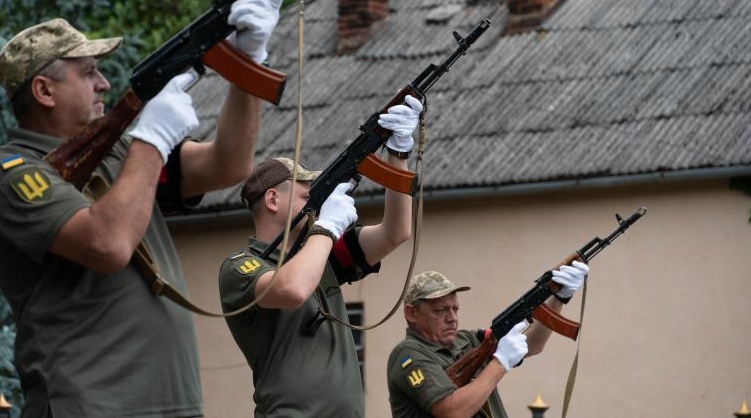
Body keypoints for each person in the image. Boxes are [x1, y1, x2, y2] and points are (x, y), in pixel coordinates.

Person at [0, 0, 283, 418]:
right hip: (90, 405)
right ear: (44, 91)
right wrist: (153, 138)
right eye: (87, 73)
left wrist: (248, 64)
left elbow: (227, 165)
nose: (104, 83)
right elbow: (109, 244)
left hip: (172, 404)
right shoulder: (10, 173)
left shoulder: (119, 152)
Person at [218, 94, 425, 417]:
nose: (317, 205)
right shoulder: (241, 267)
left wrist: (398, 155)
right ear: (273, 200)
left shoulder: (320, 253)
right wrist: (327, 226)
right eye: (306, 195)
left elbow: (394, 233)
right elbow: (292, 289)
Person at [387, 266, 589, 418]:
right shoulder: (408, 355)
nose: (452, 318)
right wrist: (500, 363)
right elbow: (452, 411)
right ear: (411, 313)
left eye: (455, 309)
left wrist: (558, 298)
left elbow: (532, 345)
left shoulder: (465, 340)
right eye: (440, 310)